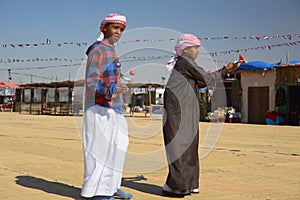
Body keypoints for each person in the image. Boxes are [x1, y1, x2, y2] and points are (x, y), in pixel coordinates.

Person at [162, 34, 239, 197]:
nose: (197, 51)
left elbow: (202, 81)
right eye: (195, 48)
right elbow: (207, 78)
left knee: (189, 147)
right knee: (179, 147)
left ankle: (188, 184)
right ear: (185, 49)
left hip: (186, 110)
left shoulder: (187, 63)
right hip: (178, 112)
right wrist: (227, 69)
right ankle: (176, 186)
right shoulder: (185, 61)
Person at [81, 13, 133, 200]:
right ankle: (97, 192)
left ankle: (111, 186)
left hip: (114, 108)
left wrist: (120, 85)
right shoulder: (98, 50)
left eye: (121, 29)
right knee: (99, 150)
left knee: (118, 146)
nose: (118, 32)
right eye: (115, 28)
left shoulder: (112, 50)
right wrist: (111, 87)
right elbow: (91, 80)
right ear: (104, 28)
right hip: (98, 107)